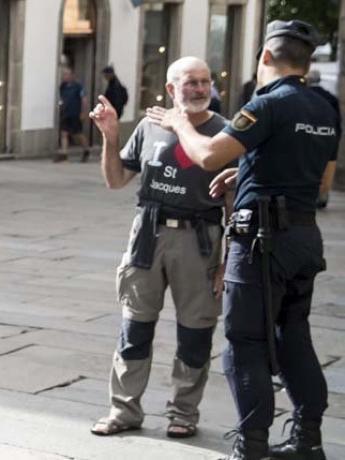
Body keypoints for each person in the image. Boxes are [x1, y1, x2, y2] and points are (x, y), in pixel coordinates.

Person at [146, 20, 337, 460]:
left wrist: (179, 124)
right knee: (294, 337)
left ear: (266, 57)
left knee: (245, 342)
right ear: (305, 61)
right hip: (305, 237)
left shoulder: (266, 105)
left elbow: (208, 154)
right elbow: (319, 180)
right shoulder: (325, 107)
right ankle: (308, 440)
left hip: (261, 242)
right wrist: (248, 172)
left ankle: (251, 447)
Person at [88, 57, 231, 440]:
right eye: (191, 83)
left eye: (205, 81)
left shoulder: (224, 133)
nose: (201, 89)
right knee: (134, 327)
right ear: (171, 89)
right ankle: (124, 410)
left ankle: (183, 412)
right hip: (148, 236)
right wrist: (111, 135)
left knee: (195, 331)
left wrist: (227, 262)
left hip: (200, 240)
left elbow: (234, 202)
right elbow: (117, 180)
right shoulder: (150, 126)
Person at [305, 70, 340, 209]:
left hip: (306, 137)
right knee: (324, 168)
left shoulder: (303, 96)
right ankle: (322, 197)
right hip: (327, 138)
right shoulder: (331, 98)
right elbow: (337, 123)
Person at [59, 67, 90, 162]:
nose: (64, 76)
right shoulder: (63, 86)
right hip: (66, 113)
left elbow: (84, 99)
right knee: (64, 133)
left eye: (66, 74)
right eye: (63, 74)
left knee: (78, 134)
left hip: (75, 113)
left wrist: (83, 112)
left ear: (72, 76)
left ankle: (86, 150)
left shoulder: (78, 87)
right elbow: (62, 98)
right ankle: (64, 154)